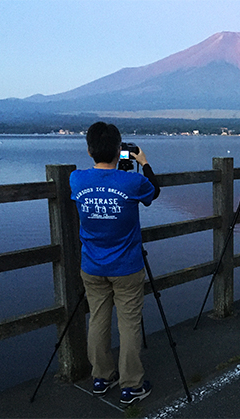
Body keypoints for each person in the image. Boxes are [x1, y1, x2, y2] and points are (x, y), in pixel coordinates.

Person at [70, 122, 160, 405]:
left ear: (89, 150)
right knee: (130, 323)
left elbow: (99, 185)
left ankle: (101, 377)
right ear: (120, 149)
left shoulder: (77, 180)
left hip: (92, 265)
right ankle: (131, 384)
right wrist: (143, 163)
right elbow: (153, 191)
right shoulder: (132, 182)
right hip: (127, 267)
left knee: (97, 319)